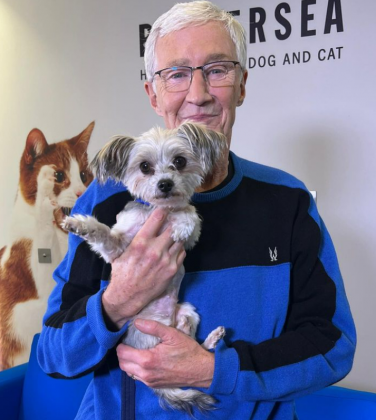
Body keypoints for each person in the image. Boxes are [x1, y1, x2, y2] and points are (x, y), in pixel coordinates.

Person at [37, 1, 356, 419]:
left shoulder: (287, 201)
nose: (199, 94)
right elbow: (53, 355)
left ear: (241, 85)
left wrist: (215, 370)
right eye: (177, 74)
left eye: (218, 69)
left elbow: (332, 346)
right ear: (153, 93)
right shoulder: (105, 200)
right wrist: (119, 300)